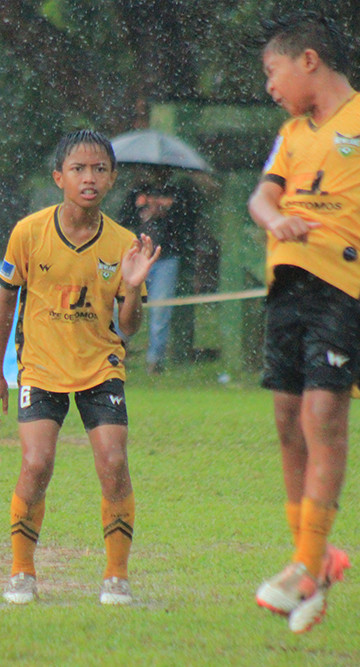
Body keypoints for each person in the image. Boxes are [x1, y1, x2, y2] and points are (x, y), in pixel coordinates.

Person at [0, 129, 160, 606]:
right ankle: (22, 571)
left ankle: (116, 576)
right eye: (78, 169)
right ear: (59, 177)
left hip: (101, 367)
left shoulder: (123, 244)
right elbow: (4, 301)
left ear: (113, 179)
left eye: (100, 169)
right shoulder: (28, 232)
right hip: (40, 367)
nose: (89, 178)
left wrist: (135, 287)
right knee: (36, 464)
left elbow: (129, 328)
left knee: (115, 464)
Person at [247, 10, 356, 634]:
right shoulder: (291, 133)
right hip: (286, 285)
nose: (269, 85)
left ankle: (307, 565)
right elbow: (263, 195)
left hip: (344, 289)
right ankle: (312, 561)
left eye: (273, 70)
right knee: (288, 419)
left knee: (322, 416)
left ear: (308, 60)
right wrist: (275, 219)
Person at [119, 166, 201, 373]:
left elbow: (187, 224)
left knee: (160, 310)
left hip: (166, 258)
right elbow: (124, 220)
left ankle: (155, 361)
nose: (158, 173)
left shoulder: (178, 193)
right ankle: (119, 353)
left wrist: (164, 216)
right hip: (138, 258)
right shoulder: (138, 191)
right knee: (124, 304)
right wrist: (145, 216)